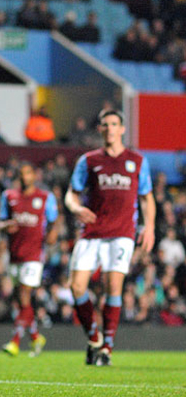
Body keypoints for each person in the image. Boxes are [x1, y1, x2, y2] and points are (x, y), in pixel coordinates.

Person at [64, 108, 155, 366]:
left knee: (113, 287)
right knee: (77, 286)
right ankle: (94, 338)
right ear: (100, 129)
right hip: (92, 231)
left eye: (114, 124)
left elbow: (146, 197)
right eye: (105, 125)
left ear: (122, 129)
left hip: (122, 233)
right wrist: (75, 207)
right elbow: (71, 193)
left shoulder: (137, 161)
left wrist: (149, 227)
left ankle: (107, 349)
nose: (109, 129)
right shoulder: (89, 160)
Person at [0, 162, 58, 357]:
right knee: (20, 301)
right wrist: (6, 226)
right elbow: (0, 222)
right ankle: (35, 337)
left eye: (28, 173)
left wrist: (52, 235)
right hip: (14, 254)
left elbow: (54, 222)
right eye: (22, 174)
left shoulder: (45, 198)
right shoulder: (9, 196)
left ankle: (14, 341)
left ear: (34, 175)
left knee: (24, 294)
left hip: (34, 255)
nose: (25, 177)